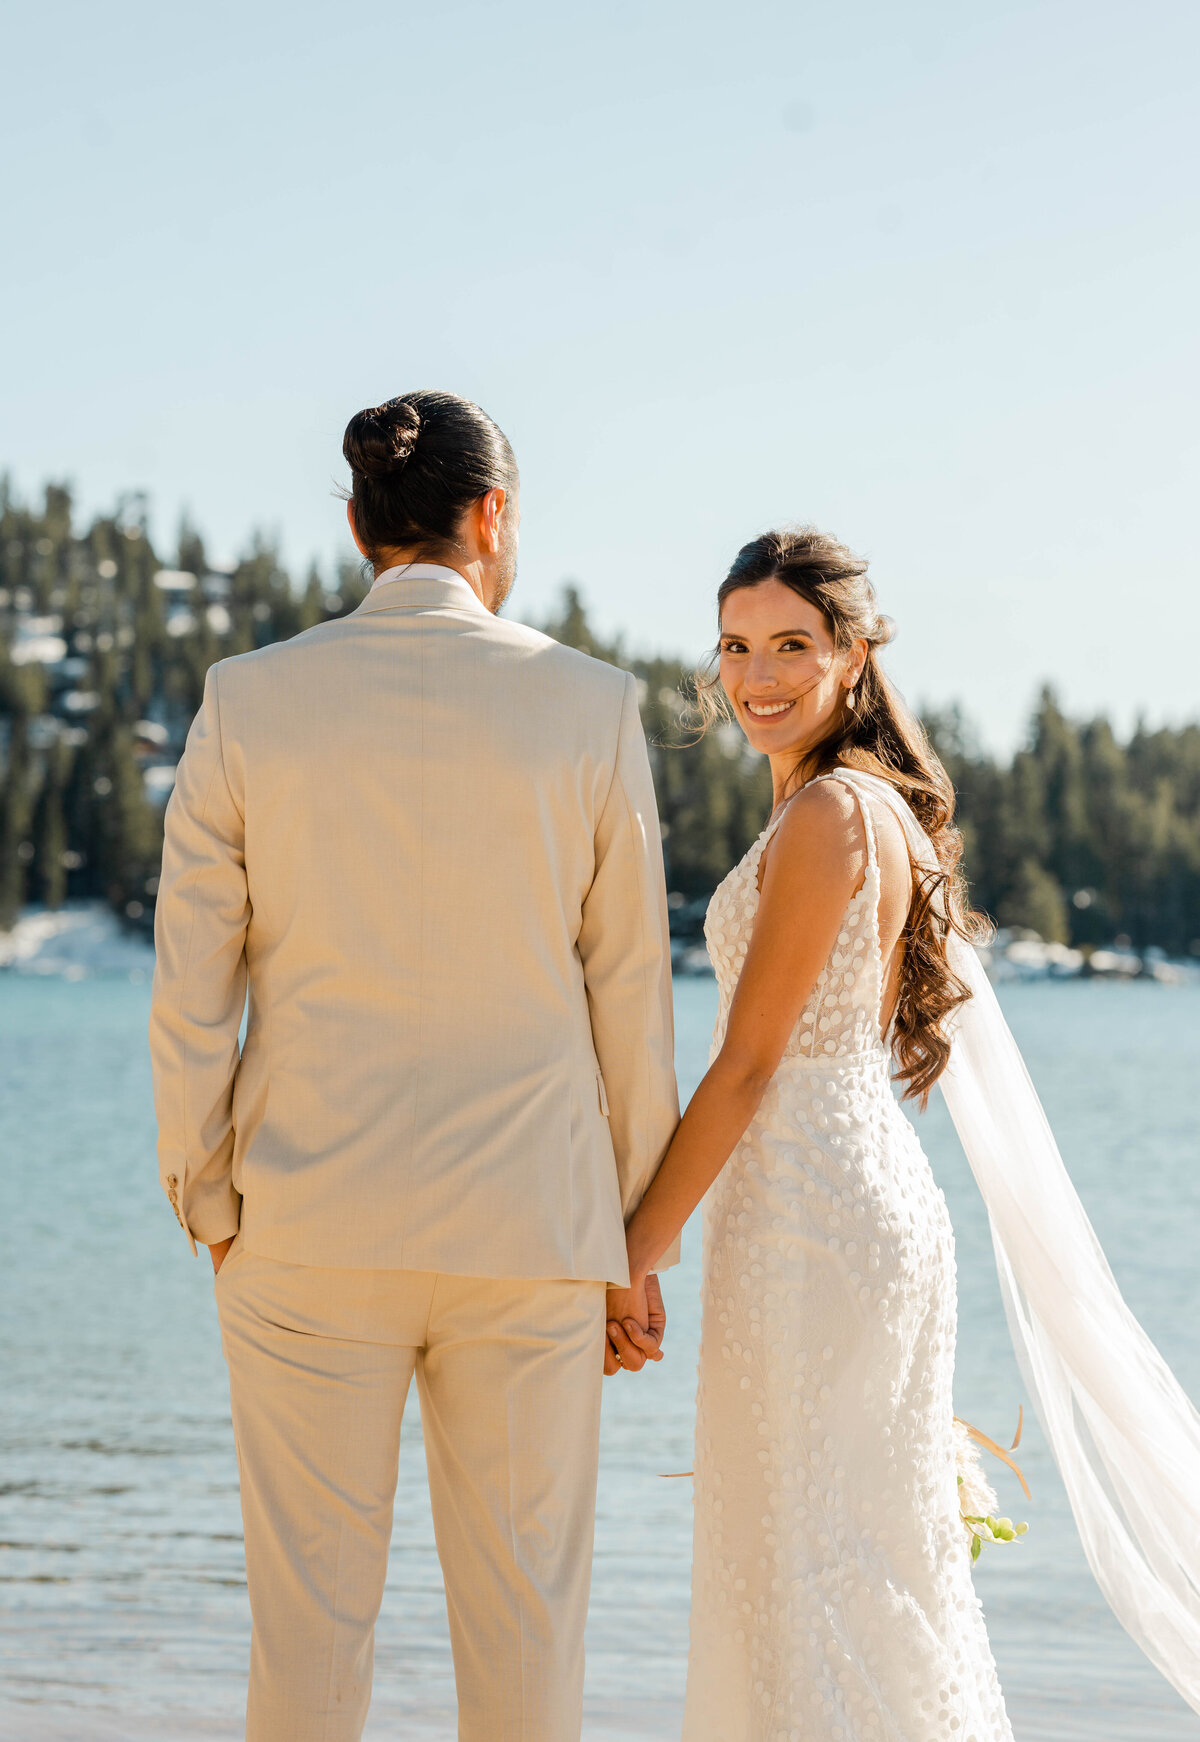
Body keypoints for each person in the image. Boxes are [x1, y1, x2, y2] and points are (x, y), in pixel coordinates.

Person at [148, 389, 678, 1742]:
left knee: (310, 1641)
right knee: (526, 1644)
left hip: (307, 1225)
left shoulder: (248, 700)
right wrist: (633, 1241)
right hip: (533, 1234)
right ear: (490, 516)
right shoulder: (591, 705)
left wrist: (205, 1195)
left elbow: (192, 991)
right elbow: (630, 996)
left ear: (356, 526)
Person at [610, 527, 1200, 1739]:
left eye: (790, 644)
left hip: (817, 1210)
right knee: (837, 1556)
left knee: (820, 1563)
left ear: (854, 653)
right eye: (734, 646)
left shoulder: (832, 809)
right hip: (829, 1194)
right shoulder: (850, 803)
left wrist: (633, 1247)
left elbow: (751, 1061)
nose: (756, 675)